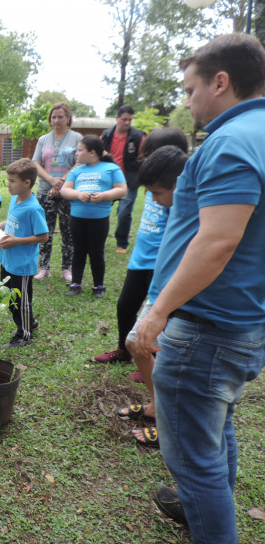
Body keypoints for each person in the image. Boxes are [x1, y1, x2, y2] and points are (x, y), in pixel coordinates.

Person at [134, 33, 265, 542]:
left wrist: (157, 310)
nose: (187, 102)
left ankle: (208, 515)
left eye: (190, 90)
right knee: (217, 427)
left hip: (208, 327)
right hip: (241, 321)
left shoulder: (231, 141)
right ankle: (202, 508)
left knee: (192, 458)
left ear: (221, 81)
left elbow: (216, 243)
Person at [111, 145, 187, 449]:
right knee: (134, 344)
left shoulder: (190, 213)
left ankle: (169, 427)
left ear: (177, 184)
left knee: (168, 363)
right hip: (158, 290)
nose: (152, 200)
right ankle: (157, 407)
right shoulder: (171, 208)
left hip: (173, 297)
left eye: (156, 193)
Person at [93, 128, 188, 366]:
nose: (142, 159)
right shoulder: (153, 186)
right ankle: (124, 350)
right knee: (125, 306)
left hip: (162, 264)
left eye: (148, 154)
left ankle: (151, 359)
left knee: (160, 316)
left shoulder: (176, 192)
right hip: (140, 258)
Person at [59, 136, 127, 298]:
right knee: (79, 251)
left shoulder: (110, 168)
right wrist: (78, 194)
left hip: (99, 220)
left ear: (92, 153)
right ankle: (75, 283)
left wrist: (103, 196)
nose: (76, 153)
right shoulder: (77, 170)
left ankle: (99, 286)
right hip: (77, 218)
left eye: (80, 150)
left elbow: (122, 189)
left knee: (96, 252)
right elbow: (64, 190)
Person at [0, 158, 48, 348]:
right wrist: (1, 225)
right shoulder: (16, 199)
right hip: (8, 259)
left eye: (12, 181)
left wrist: (17, 241)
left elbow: (43, 236)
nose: (8, 184)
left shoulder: (34, 208)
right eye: (8, 180)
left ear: (27, 183)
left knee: (21, 301)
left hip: (22, 264)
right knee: (11, 299)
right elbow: (14, 221)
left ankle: (24, 335)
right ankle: (30, 322)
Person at [32, 102, 82, 281]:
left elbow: (79, 162)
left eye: (61, 116)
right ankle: (43, 267)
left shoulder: (77, 138)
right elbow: (36, 163)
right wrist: (52, 180)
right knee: (44, 230)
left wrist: (61, 182)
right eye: (53, 117)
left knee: (68, 231)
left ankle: (66, 268)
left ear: (68, 118)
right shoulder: (43, 139)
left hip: (69, 192)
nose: (57, 120)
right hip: (45, 191)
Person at [100, 105, 145, 254]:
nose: (127, 122)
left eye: (130, 120)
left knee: (124, 212)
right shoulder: (106, 135)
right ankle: (99, 239)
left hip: (129, 181)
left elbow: (144, 156)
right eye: (124, 119)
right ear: (117, 118)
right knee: (101, 210)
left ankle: (122, 243)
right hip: (107, 181)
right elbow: (96, 151)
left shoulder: (138, 136)